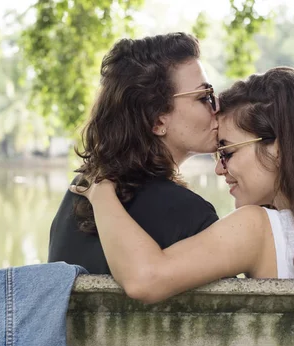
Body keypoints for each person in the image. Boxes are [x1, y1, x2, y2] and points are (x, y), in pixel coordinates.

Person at [70, 66, 294, 303]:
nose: (220, 169)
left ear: (278, 149)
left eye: (227, 151)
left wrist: (100, 191)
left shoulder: (257, 229)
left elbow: (144, 279)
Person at [48, 32, 221, 274]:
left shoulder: (80, 193)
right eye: (204, 97)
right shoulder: (191, 214)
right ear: (157, 121)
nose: (217, 108)